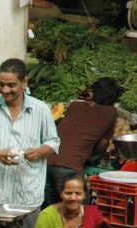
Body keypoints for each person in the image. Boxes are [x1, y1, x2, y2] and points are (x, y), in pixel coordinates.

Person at [0, 58, 60, 228]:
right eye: (1, 84)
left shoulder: (40, 110)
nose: (5, 90)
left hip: (27, 195)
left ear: (24, 82)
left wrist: (38, 152)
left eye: (11, 85)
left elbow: (53, 142)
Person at [45, 78, 121, 206]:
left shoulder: (75, 105)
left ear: (94, 93)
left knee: (50, 211)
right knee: (78, 211)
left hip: (47, 162)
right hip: (70, 166)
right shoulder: (110, 112)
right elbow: (103, 143)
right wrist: (95, 155)